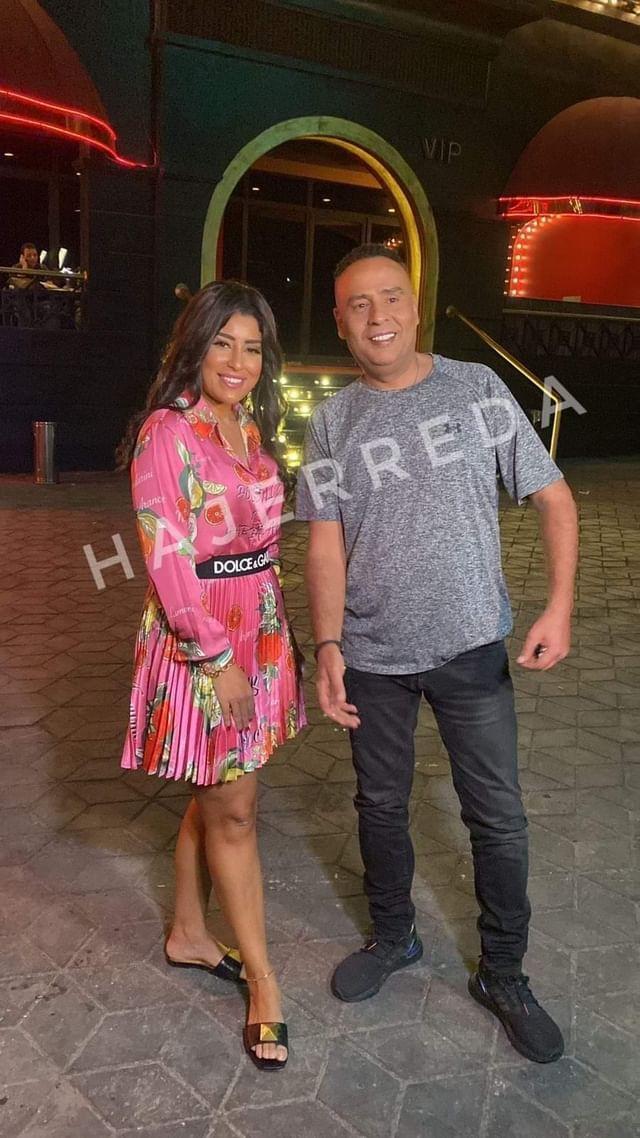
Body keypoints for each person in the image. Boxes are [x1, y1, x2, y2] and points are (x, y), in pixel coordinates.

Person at [296, 243, 578, 1065]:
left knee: (498, 819)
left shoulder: (476, 389)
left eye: (390, 297)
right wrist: (327, 645)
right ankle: (394, 936)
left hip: (470, 646)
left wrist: (559, 606)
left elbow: (554, 497)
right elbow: (323, 545)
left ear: (415, 305)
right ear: (341, 322)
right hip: (373, 655)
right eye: (358, 304)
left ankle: (504, 973)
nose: (377, 316)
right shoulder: (332, 420)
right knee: (379, 806)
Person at [118, 281, 306, 1071]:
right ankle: (264, 981)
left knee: (218, 786)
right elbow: (166, 558)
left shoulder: (246, 424)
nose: (239, 360)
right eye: (223, 342)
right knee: (235, 809)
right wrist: (218, 659)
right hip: (206, 636)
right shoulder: (169, 431)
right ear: (194, 346)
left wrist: (275, 637)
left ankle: (190, 932)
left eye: (253, 347)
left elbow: (261, 535)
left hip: (257, 623)